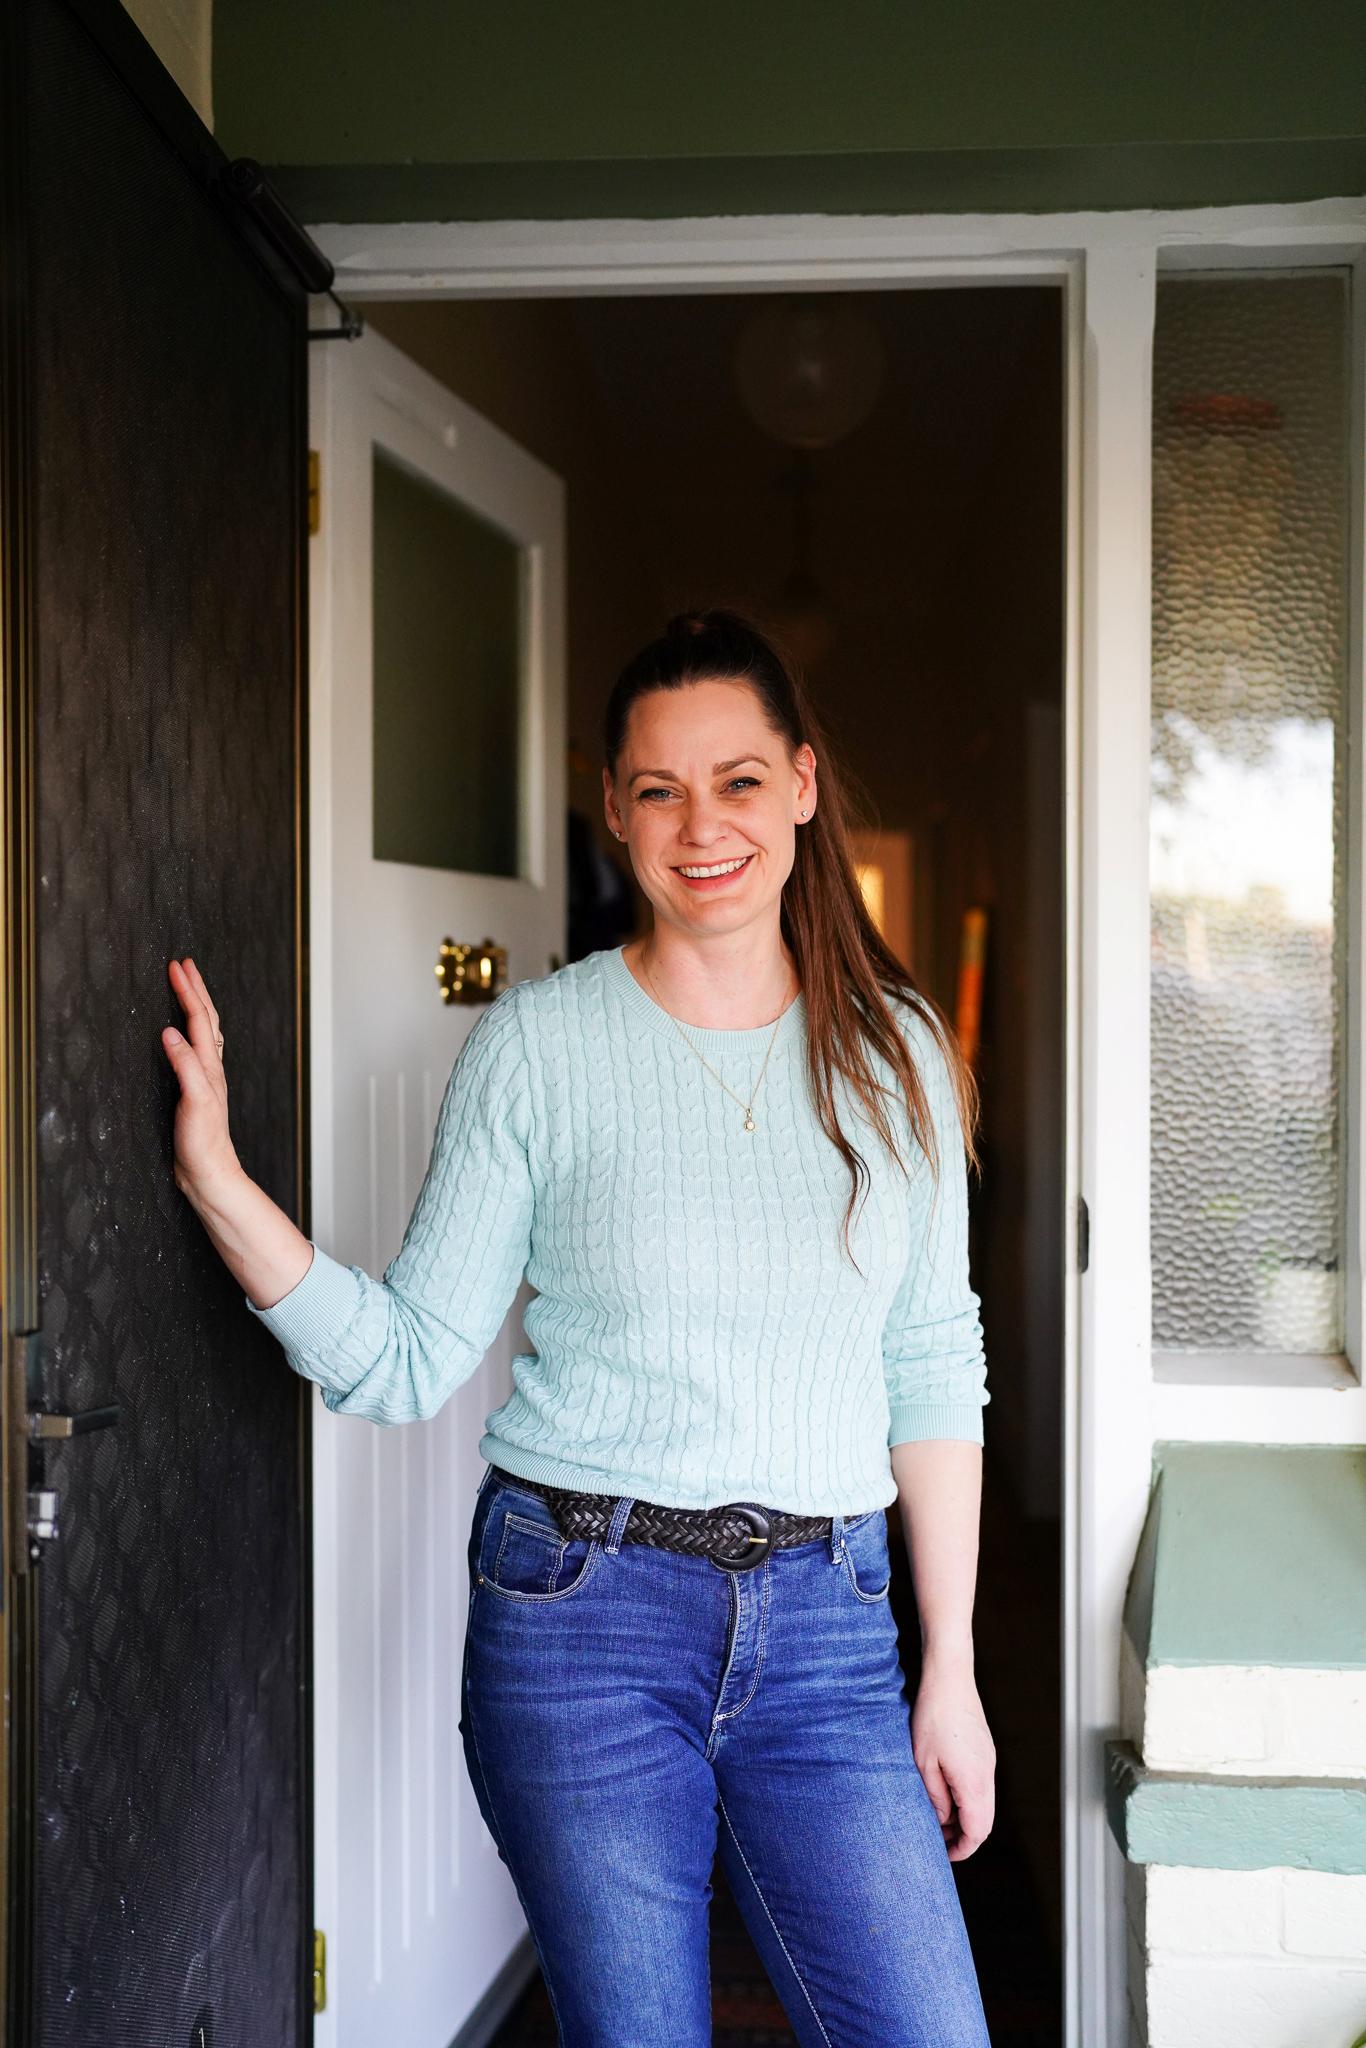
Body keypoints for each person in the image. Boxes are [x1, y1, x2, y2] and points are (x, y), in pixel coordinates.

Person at [162, 609, 995, 2047]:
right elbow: (408, 1358)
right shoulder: (537, 1047)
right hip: (583, 1620)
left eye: (739, 780)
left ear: (802, 784)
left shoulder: (898, 1052)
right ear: (614, 810)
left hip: (831, 1635)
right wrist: (220, 1185)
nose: (701, 826)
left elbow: (929, 1366)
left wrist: (954, 1669)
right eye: (660, 790)